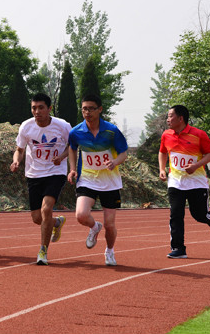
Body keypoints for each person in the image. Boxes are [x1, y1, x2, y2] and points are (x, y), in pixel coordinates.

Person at [10, 93, 72, 265]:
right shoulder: (26, 127)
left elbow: (72, 146)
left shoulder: (62, 126)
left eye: (40, 108)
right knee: (37, 218)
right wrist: (16, 161)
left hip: (55, 172)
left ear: (49, 108)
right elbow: (20, 149)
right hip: (34, 173)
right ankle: (56, 222)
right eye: (33, 108)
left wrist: (62, 157)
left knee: (46, 210)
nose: (36, 111)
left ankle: (42, 251)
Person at [67, 94, 128, 266]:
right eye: (84, 109)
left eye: (91, 109)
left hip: (110, 181)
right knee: (81, 215)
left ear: (100, 110)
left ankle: (109, 250)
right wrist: (72, 169)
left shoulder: (111, 131)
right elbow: (72, 149)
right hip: (87, 179)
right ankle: (94, 227)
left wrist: (115, 162)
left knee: (110, 224)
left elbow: (123, 152)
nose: (87, 112)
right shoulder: (76, 132)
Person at [158, 104, 210, 259]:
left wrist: (195, 166)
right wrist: (162, 169)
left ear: (181, 118)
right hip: (175, 182)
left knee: (199, 214)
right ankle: (178, 248)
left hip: (196, 182)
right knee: (176, 214)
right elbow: (162, 152)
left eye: (170, 116)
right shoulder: (166, 135)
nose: (168, 119)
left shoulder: (198, 134)